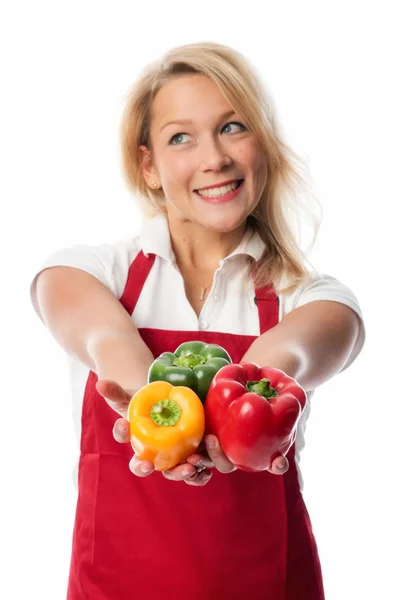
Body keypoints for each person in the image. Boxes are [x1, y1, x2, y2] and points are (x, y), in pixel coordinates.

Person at [30, 41, 365, 600]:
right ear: (149, 166)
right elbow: (107, 339)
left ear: (262, 145)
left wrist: (227, 414)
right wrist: (152, 406)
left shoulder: (312, 297)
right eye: (180, 137)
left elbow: (285, 358)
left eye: (233, 127)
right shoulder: (88, 271)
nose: (214, 158)